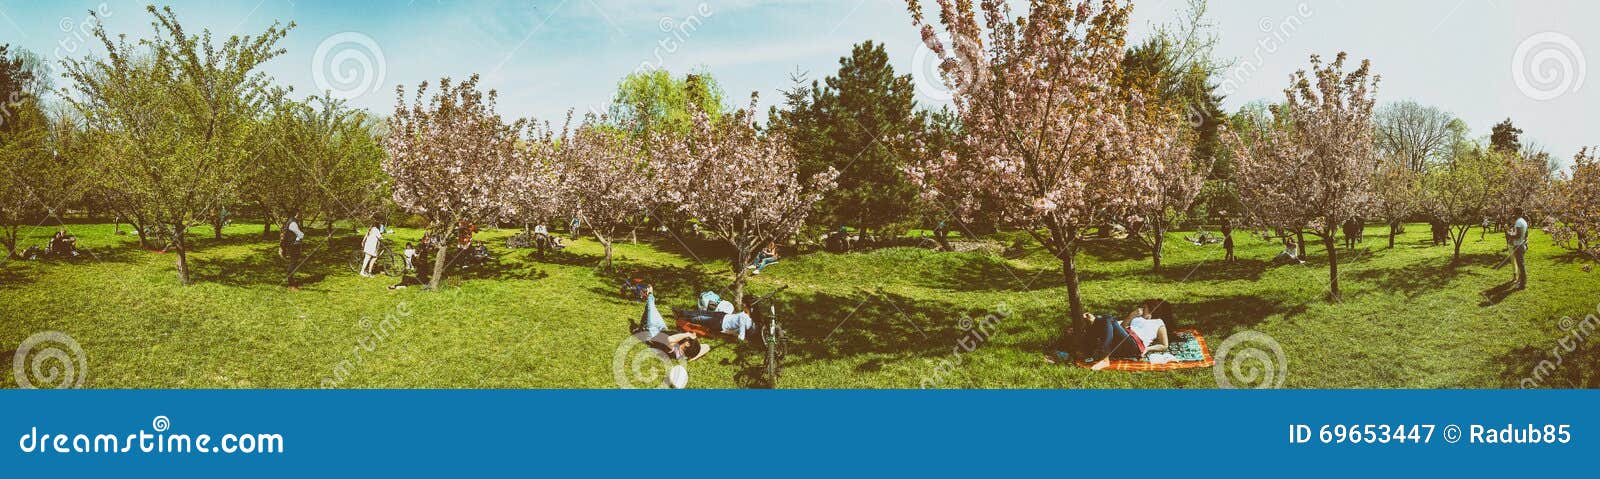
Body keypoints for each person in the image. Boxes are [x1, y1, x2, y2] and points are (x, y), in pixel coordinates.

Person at [1083, 308, 1170, 371]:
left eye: (1145, 308)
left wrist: (1147, 349)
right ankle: (1088, 351)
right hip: (1123, 338)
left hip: (1134, 345)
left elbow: (1164, 345)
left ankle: (1104, 359)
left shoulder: (1158, 322)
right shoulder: (1137, 318)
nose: (1142, 309)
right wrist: (1131, 315)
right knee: (1100, 318)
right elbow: (1120, 327)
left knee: (1107, 317)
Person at [1509, 209, 1530, 290]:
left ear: (1516, 213)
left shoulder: (1518, 222)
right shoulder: (1523, 221)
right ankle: (1522, 282)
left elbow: (1517, 235)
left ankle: (1523, 284)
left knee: (1521, 265)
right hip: (1522, 245)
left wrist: (1509, 234)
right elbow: (1525, 234)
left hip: (1518, 245)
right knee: (1521, 264)